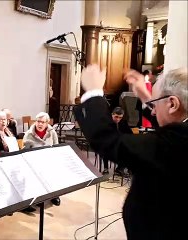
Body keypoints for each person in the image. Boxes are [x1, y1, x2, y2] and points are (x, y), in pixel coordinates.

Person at [74, 64, 187, 240]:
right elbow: (171, 125)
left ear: (172, 103)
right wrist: (147, 98)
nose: (153, 110)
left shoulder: (176, 143)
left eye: (155, 104)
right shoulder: (181, 132)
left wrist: (93, 93)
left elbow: (109, 141)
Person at [22, 112, 60, 207]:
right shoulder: (29, 134)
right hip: (34, 162)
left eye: (43, 122)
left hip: (49, 160)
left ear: (47, 123)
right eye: (38, 121)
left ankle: (55, 195)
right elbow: (24, 151)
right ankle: (38, 197)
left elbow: (56, 146)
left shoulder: (52, 132)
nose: (40, 124)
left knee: (55, 172)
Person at [102, 107, 132, 175]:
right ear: (112, 114)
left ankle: (120, 169)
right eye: (116, 117)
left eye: (120, 117)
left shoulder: (123, 122)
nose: (118, 119)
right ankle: (106, 168)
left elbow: (130, 133)